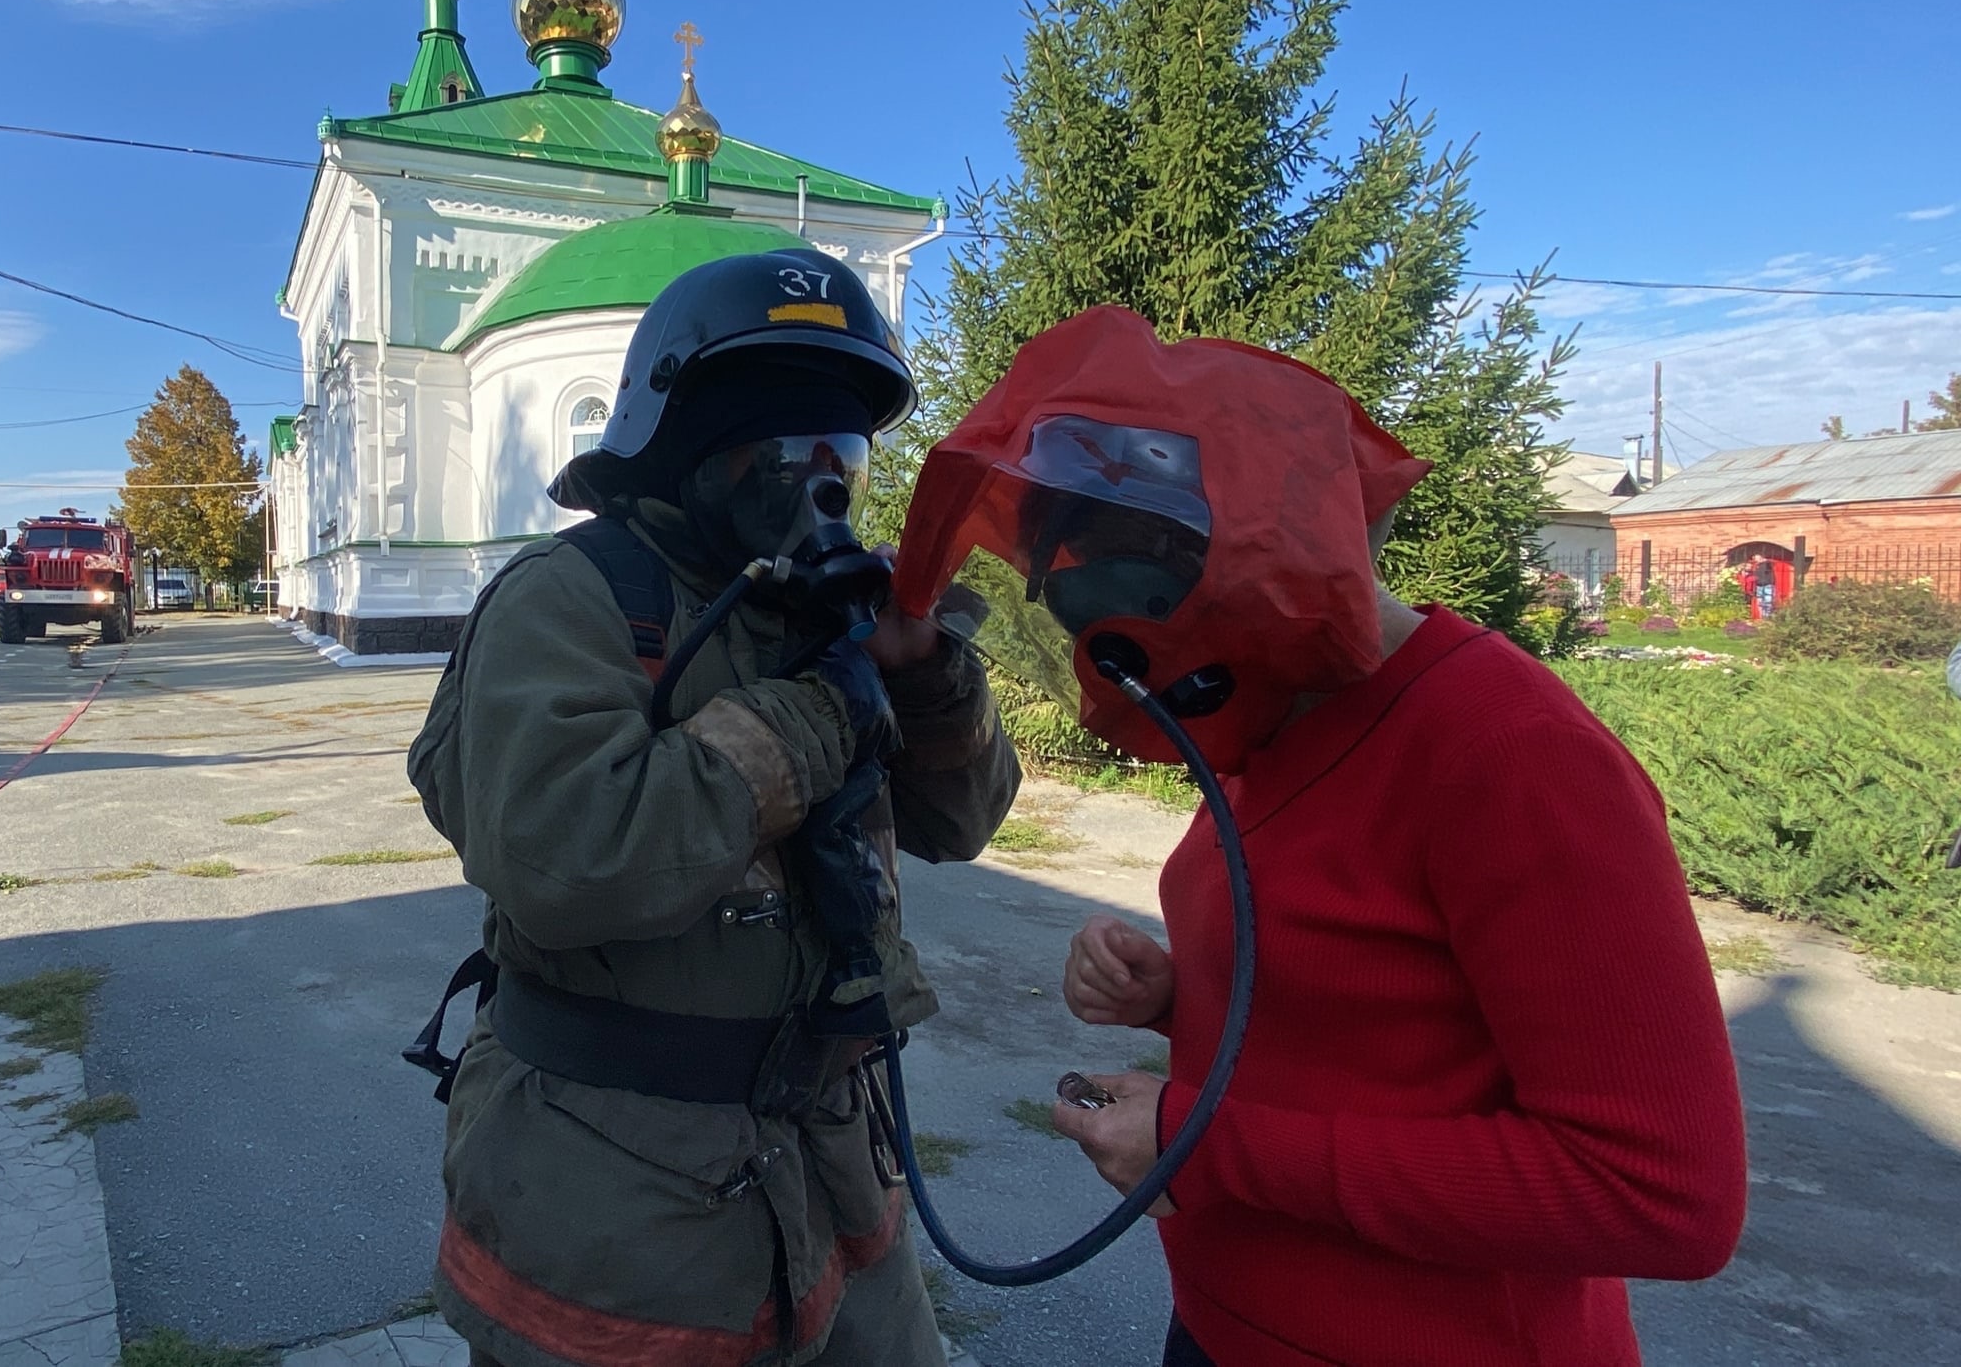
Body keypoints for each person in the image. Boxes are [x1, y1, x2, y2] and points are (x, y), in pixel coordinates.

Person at [890, 305, 1748, 1367]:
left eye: (1139, 633)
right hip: (1223, 1326)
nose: (1137, 684)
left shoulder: (1513, 753)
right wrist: (1176, 994)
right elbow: (1381, 1004)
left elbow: (1660, 1193)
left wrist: (1206, 1144)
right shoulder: (1265, 709)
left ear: (1238, 563)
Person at [406, 248, 1020, 1367]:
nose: (817, 483)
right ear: (682, 441)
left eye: (843, 452)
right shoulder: (573, 599)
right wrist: (820, 715)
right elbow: (564, 857)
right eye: (781, 449)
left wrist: (924, 672)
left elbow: (963, 821)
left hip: (833, 1167)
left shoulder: (815, 617)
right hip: (615, 1197)